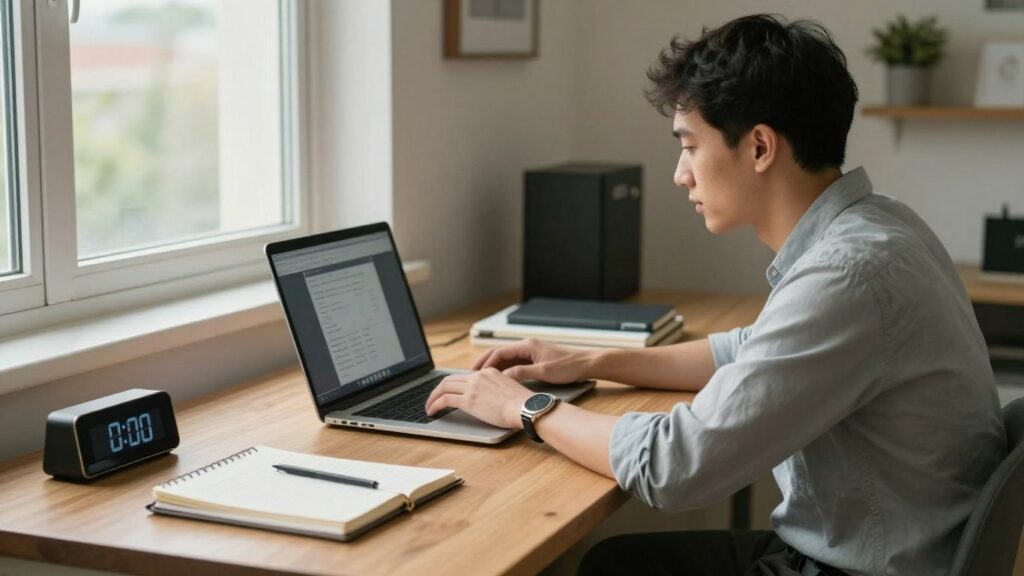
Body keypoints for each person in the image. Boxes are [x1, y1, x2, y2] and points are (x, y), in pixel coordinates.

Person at [425, 14, 1005, 576]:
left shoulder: (845, 274)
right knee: (618, 561)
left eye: (690, 145)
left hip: (858, 566)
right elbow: (749, 350)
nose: (681, 174)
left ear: (759, 148)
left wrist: (524, 408)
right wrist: (589, 362)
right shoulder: (880, 225)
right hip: (894, 549)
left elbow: (678, 467)